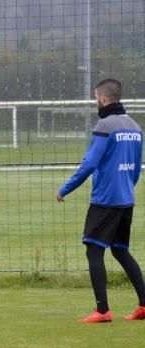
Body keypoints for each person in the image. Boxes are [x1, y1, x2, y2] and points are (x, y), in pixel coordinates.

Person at [57, 78, 145, 323]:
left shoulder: (105, 126)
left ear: (103, 98)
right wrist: (126, 187)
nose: (97, 101)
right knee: (120, 250)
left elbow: (89, 163)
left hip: (105, 201)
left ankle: (103, 310)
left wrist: (66, 188)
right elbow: (136, 169)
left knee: (94, 250)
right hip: (126, 200)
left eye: (96, 97)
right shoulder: (136, 128)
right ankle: (144, 305)